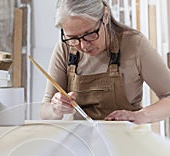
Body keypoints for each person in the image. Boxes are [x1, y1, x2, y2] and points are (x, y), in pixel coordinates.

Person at [41, 0, 170, 124]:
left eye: (90, 34)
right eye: (73, 38)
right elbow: (44, 110)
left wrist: (139, 116)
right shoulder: (65, 49)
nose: (83, 45)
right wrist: (55, 109)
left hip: (125, 141)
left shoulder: (134, 45)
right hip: (81, 143)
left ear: (105, 16)